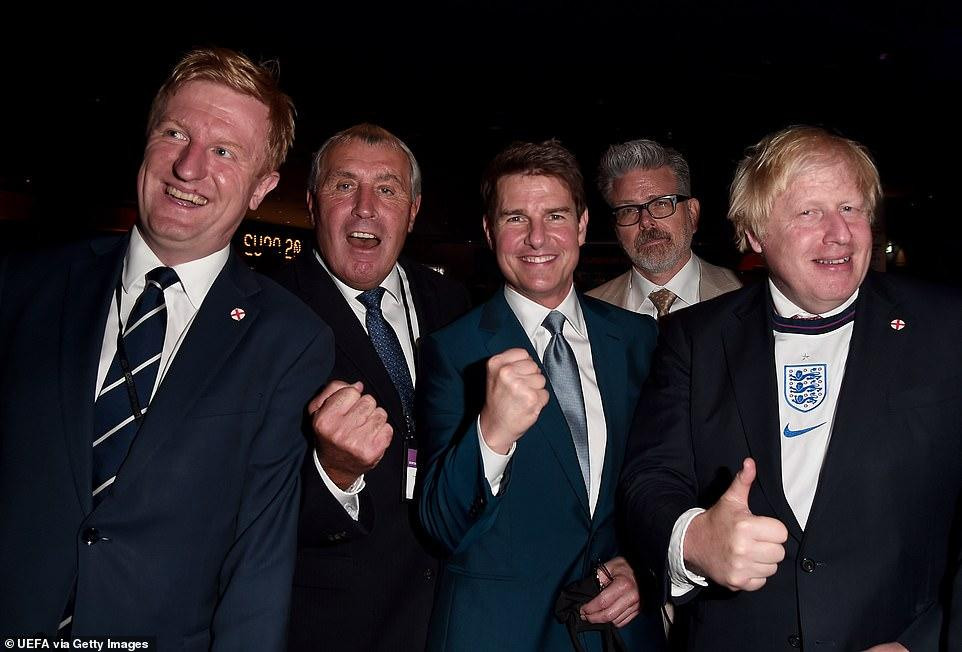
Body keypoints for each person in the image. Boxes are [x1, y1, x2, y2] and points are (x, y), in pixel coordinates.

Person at [0, 48, 332, 650]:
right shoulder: (22, 288)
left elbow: (260, 560)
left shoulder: (290, 340)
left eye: (224, 151)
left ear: (262, 188)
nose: (188, 167)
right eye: (175, 133)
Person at [620, 125, 962, 651]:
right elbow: (649, 479)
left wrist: (930, 642)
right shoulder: (695, 338)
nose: (839, 233)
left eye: (850, 208)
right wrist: (693, 540)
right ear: (756, 235)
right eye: (808, 212)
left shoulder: (947, 326)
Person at [417, 140, 665, 650]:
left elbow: (659, 480)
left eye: (555, 215)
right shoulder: (453, 351)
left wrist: (643, 566)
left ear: (582, 225)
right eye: (515, 218)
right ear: (490, 231)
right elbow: (440, 526)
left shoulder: (638, 339)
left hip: (618, 632)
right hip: (499, 633)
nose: (536, 237)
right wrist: (492, 434)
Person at [272, 123, 470, 652]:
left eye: (387, 189)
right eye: (344, 185)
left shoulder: (452, 303)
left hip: (448, 614)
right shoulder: (266, 311)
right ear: (312, 203)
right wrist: (333, 474)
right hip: (334, 624)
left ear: (413, 210)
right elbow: (234, 503)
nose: (365, 207)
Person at [588, 139, 740, 317]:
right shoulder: (588, 314)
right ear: (616, 229)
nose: (646, 222)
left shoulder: (746, 295)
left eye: (661, 203)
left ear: (692, 213)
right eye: (628, 210)